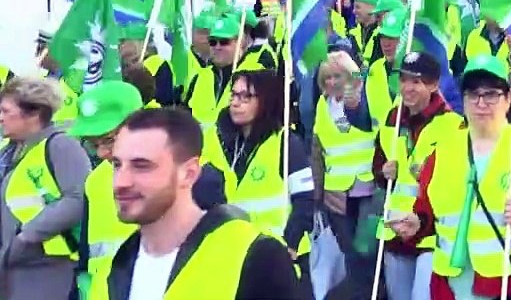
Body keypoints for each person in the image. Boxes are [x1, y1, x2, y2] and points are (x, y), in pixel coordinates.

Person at [389, 54, 511, 300]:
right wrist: (417, 224)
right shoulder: (443, 149)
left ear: (508, 99)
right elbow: (429, 210)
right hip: (450, 284)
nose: (481, 103)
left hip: (506, 284)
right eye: (472, 94)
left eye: (491, 94)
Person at [91, 108, 302, 299]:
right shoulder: (111, 271)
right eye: (117, 165)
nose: (121, 182)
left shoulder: (254, 256)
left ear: (188, 173)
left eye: (142, 166)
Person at [348, 50, 463, 300]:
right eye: (404, 80)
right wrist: (383, 171)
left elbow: (458, 180)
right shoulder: (393, 117)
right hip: (395, 231)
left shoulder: (452, 124)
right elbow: (378, 167)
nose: (407, 87)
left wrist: (427, 175)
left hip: (432, 235)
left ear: (433, 85)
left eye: (416, 81)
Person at [202, 71, 315, 265]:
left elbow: (304, 199)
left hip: (282, 251)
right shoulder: (219, 140)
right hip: (237, 251)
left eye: (246, 97)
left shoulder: (285, 142)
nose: (236, 103)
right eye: (234, 95)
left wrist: (292, 243)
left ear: (265, 100)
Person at [0, 76, 92, 300]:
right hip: (15, 266)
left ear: (33, 114)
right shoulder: (10, 149)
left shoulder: (60, 145)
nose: (0, 118)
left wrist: (26, 237)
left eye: (5, 111)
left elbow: (78, 199)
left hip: (46, 266)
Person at [310, 50, 379, 297]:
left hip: (367, 189)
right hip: (335, 193)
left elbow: (365, 74)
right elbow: (317, 149)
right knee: (349, 253)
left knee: (366, 252)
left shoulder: (363, 98)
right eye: (326, 78)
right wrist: (317, 194)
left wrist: (356, 76)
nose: (331, 82)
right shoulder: (321, 104)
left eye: (337, 76)